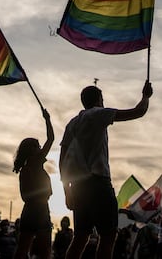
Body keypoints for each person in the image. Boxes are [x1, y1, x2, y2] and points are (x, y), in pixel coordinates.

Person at [60, 80, 153, 259]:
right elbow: (138, 112)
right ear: (99, 100)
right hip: (98, 184)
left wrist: (67, 191)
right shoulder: (99, 114)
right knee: (108, 235)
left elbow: (62, 159)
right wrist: (146, 96)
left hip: (78, 187)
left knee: (80, 237)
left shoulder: (72, 124)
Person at [13, 107, 54, 259]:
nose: (40, 148)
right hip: (39, 209)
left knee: (23, 249)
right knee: (43, 251)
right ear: (31, 150)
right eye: (37, 146)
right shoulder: (33, 165)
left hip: (32, 210)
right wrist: (47, 120)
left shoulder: (26, 168)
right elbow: (51, 139)